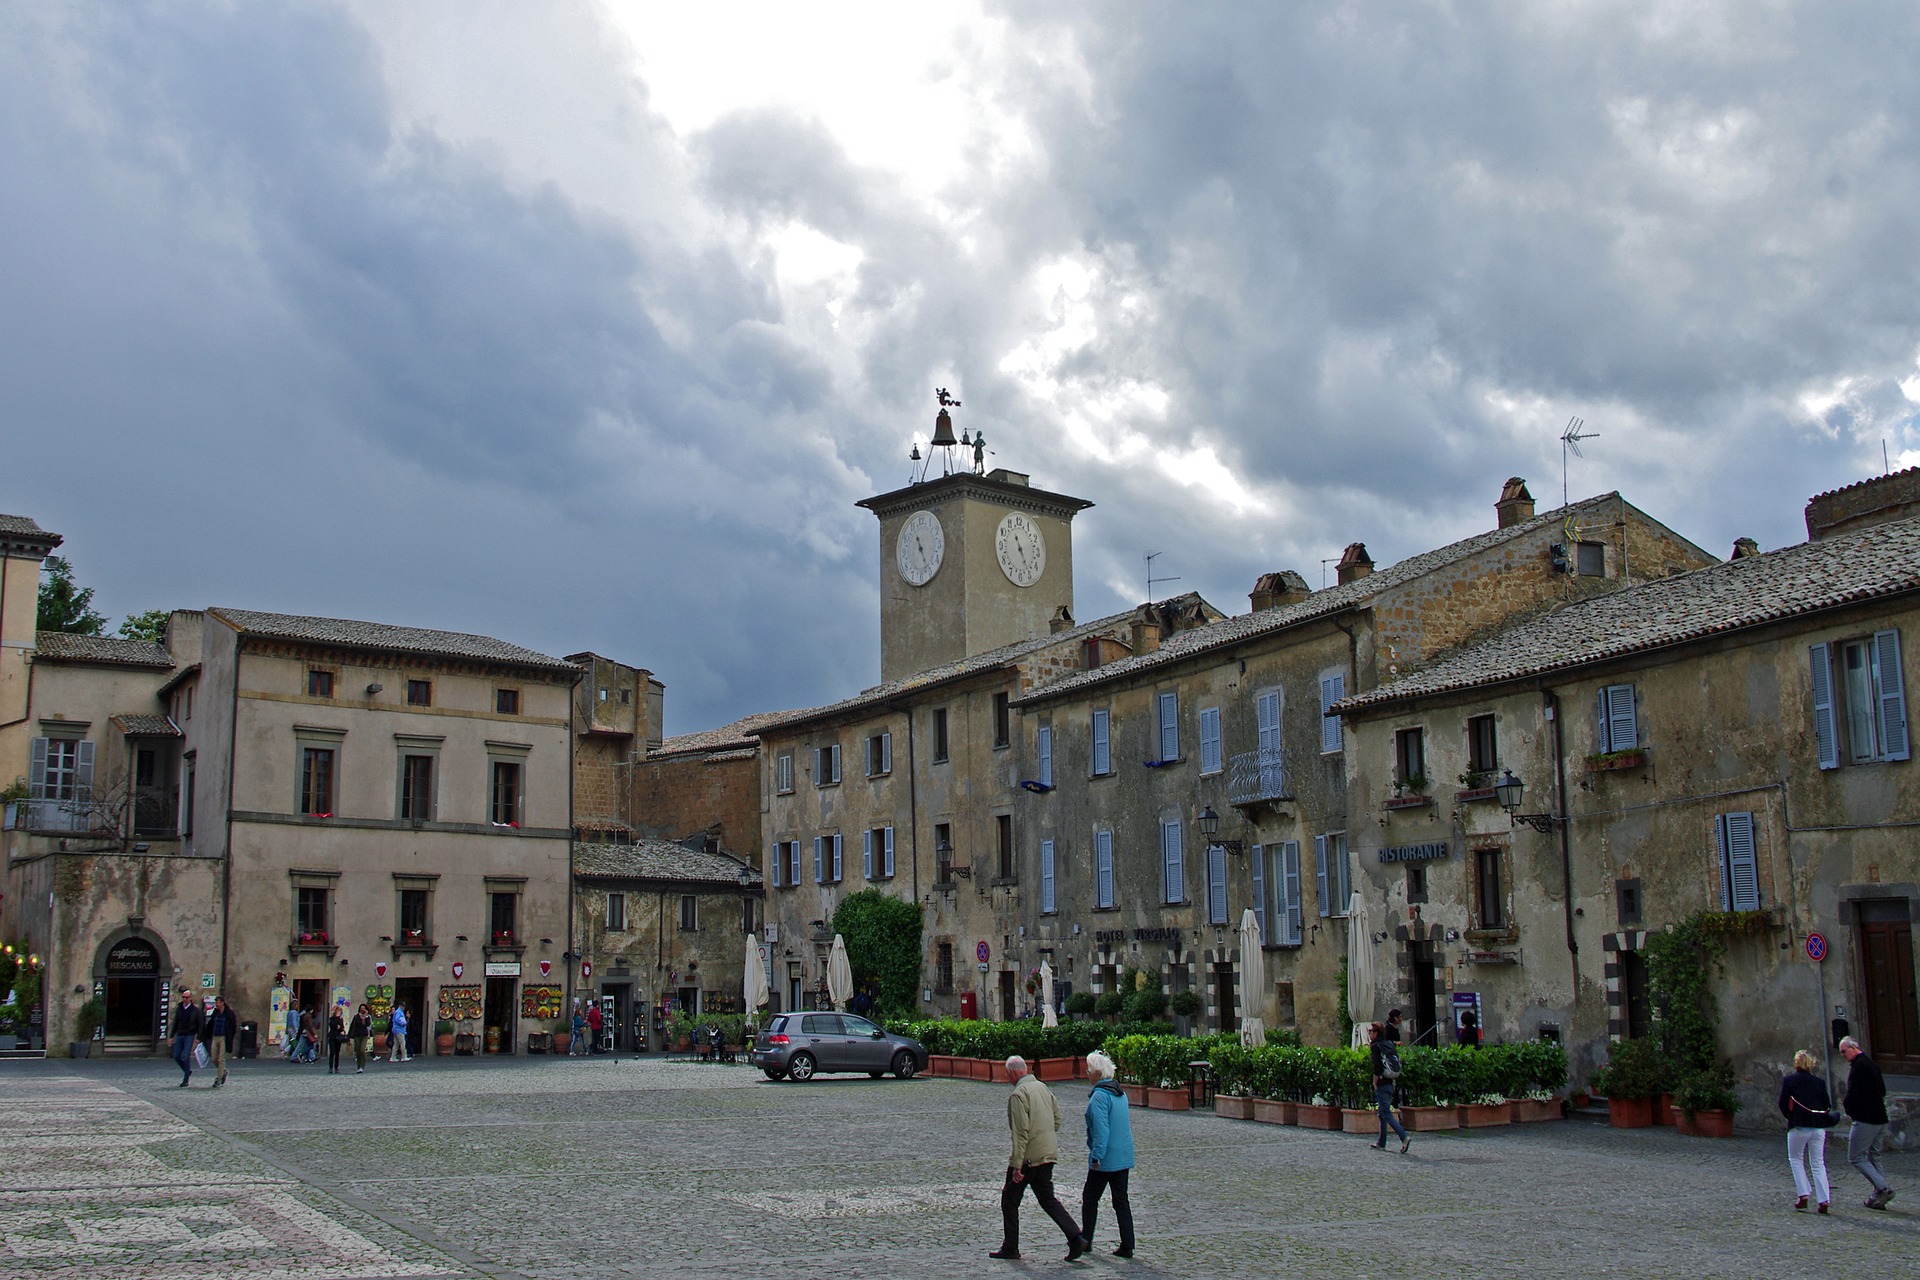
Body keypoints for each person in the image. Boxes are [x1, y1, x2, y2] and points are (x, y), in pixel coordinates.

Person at [990, 1055, 1088, 1262]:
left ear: (1013, 1072)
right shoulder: (1043, 1088)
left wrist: (1017, 1165)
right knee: (1047, 1198)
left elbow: (1020, 1133)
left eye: (1008, 1074)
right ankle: (1076, 1237)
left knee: (1009, 1200)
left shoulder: (1018, 1095)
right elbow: (1057, 1121)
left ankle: (1010, 1247)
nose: (1008, 1078)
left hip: (1028, 1158)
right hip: (1048, 1153)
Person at [1081, 1050, 1136, 1259]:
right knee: (1121, 1201)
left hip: (1106, 1158)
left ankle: (1086, 1240)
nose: (1087, 1074)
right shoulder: (1120, 1093)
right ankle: (1128, 1244)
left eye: (1089, 1070)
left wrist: (1097, 1156)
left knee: (1090, 1198)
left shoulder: (1099, 1097)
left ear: (1097, 1073)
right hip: (1123, 1155)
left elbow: (1101, 1130)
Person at [1839, 1036, 1894, 1209]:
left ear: (1853, 1048)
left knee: (1856, 1157)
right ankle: (1878, 1195)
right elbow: (1882, 1090)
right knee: (1874, 1155)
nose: (1843, 1055)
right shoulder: (1872, 1064)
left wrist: (1850, 1109)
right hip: (1880, 1117)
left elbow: (1853, 1094)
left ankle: (1883, 1188)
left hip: (1866, 1119)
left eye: (1844, 1052)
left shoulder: (1859, 1067)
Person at [1778, 1049, 1833, 1213]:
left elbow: (1782, 1103)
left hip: (1799, 1126)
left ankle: (1803, 1194)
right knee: (1818, 1163)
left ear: (1796, 1063)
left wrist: (1790, 1116)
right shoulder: (1819, 1082)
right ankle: (1824, 1199)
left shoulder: (1790, 1080)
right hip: (1817, 1127)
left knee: (1796, 1159)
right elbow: (1826, 1104)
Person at [1370, 1022, 1411, 1154]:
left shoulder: (1375, 1046)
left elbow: (1377, 1067)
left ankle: (1403, 1137)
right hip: (1391, 1081)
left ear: (1376, 1033)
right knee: (1382, 1113)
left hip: (1382, 1082)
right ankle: (1381, 1142)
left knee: (1386, 1113)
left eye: (1371, 1031)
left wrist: (1374, 1082)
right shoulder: (1389, 1044)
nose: (1369, 1033)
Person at [202, 996, 236, 1088]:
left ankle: (218, 1079)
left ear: (222, 1003)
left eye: (217, 1002)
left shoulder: (229, 1013)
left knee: (221, 1059)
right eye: (215, 1002)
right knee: (214, 1058)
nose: (216, 1004)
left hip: (224, 1037)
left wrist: (230, 1037)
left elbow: (233, 1026)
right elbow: (211, 1024)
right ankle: (223, 1071)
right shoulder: (215, 1012)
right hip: (215, 1037)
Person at [171, 993, 204, 1087]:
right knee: (176, 1055)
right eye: (183, 997)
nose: (184, 999)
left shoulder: (195, 1010)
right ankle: (187, 1071)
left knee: (186, 1056)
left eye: (186, 997)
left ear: (190, 998)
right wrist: (171, 1036)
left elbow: (200, 1024)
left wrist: (198, 1038)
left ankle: (186, 1079)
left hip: (189, 1035)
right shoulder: (179, 1009)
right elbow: (175, 1022)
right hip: (180, 1034)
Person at [349, 1004, 372, 1074]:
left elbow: (368, 1024)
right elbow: (352, 1025)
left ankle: (362, 1065)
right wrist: (349, 1035)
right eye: (361, 1008)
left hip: (364, 1035)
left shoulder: (367, 1017)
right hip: (357, 1035)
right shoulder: (356, 1016)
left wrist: (365, 1016)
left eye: (364, 1008)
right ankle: (358, 1066)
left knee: (362, 1050)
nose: (362, 1009)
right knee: (357, 1050)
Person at [326, 1008, 346, 1073]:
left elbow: (341, 1027)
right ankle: (330, 1067)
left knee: (337, 1052)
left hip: (338, 1037)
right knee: (332, 1052)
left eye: (340, 1012)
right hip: (332, 1036)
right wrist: (338, 1025)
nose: (339, 1013)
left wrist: (341, 1029)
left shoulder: (341, 1019)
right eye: (338, 1011)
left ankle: (336, 1067)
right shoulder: (332, 1019)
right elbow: (332, 1025)